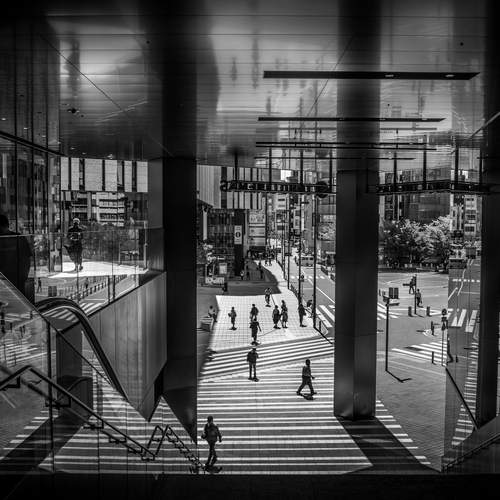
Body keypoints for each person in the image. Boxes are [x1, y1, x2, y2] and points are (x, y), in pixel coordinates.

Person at [0, 213, 32, 298]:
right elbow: (27, 260)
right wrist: (23, 277)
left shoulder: (19, 238)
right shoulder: (19, 238)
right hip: (16, 281)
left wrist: (23, 278)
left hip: (12, 282)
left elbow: (27, 260)